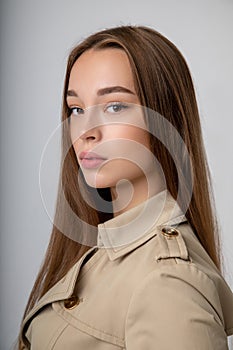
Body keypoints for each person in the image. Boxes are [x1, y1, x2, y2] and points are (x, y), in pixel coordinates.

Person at [18, 26, 233, 349]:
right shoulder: (103, 249)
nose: (85, 132)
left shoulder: (167, 282)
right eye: (76, 109)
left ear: (165, 120)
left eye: (114, 106)